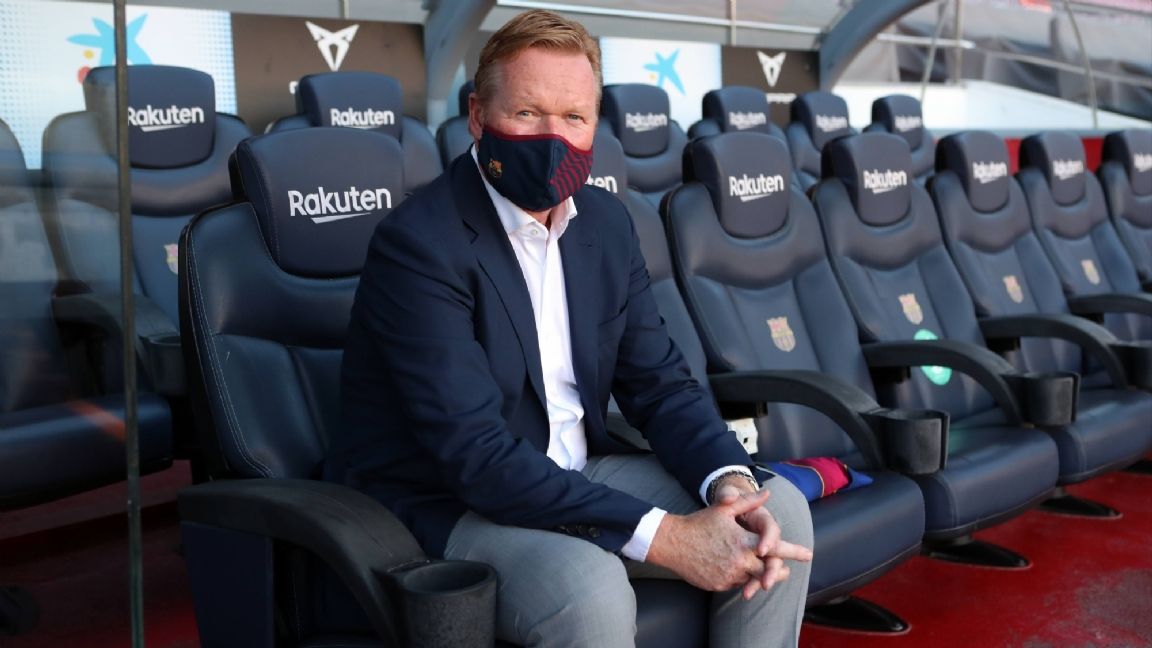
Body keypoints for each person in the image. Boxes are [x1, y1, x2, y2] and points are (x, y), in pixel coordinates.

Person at [330, 9, 813, 647]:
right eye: (527, 113)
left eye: (574, 117)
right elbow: (476, 457)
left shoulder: (605, 224)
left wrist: (729, 483)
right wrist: (669, 538)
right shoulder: (419, 244)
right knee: (588, 588)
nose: (553, 139)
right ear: (477, 115)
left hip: (576, 471)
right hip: (451, 501)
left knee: (776, 512)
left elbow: (661, 384)